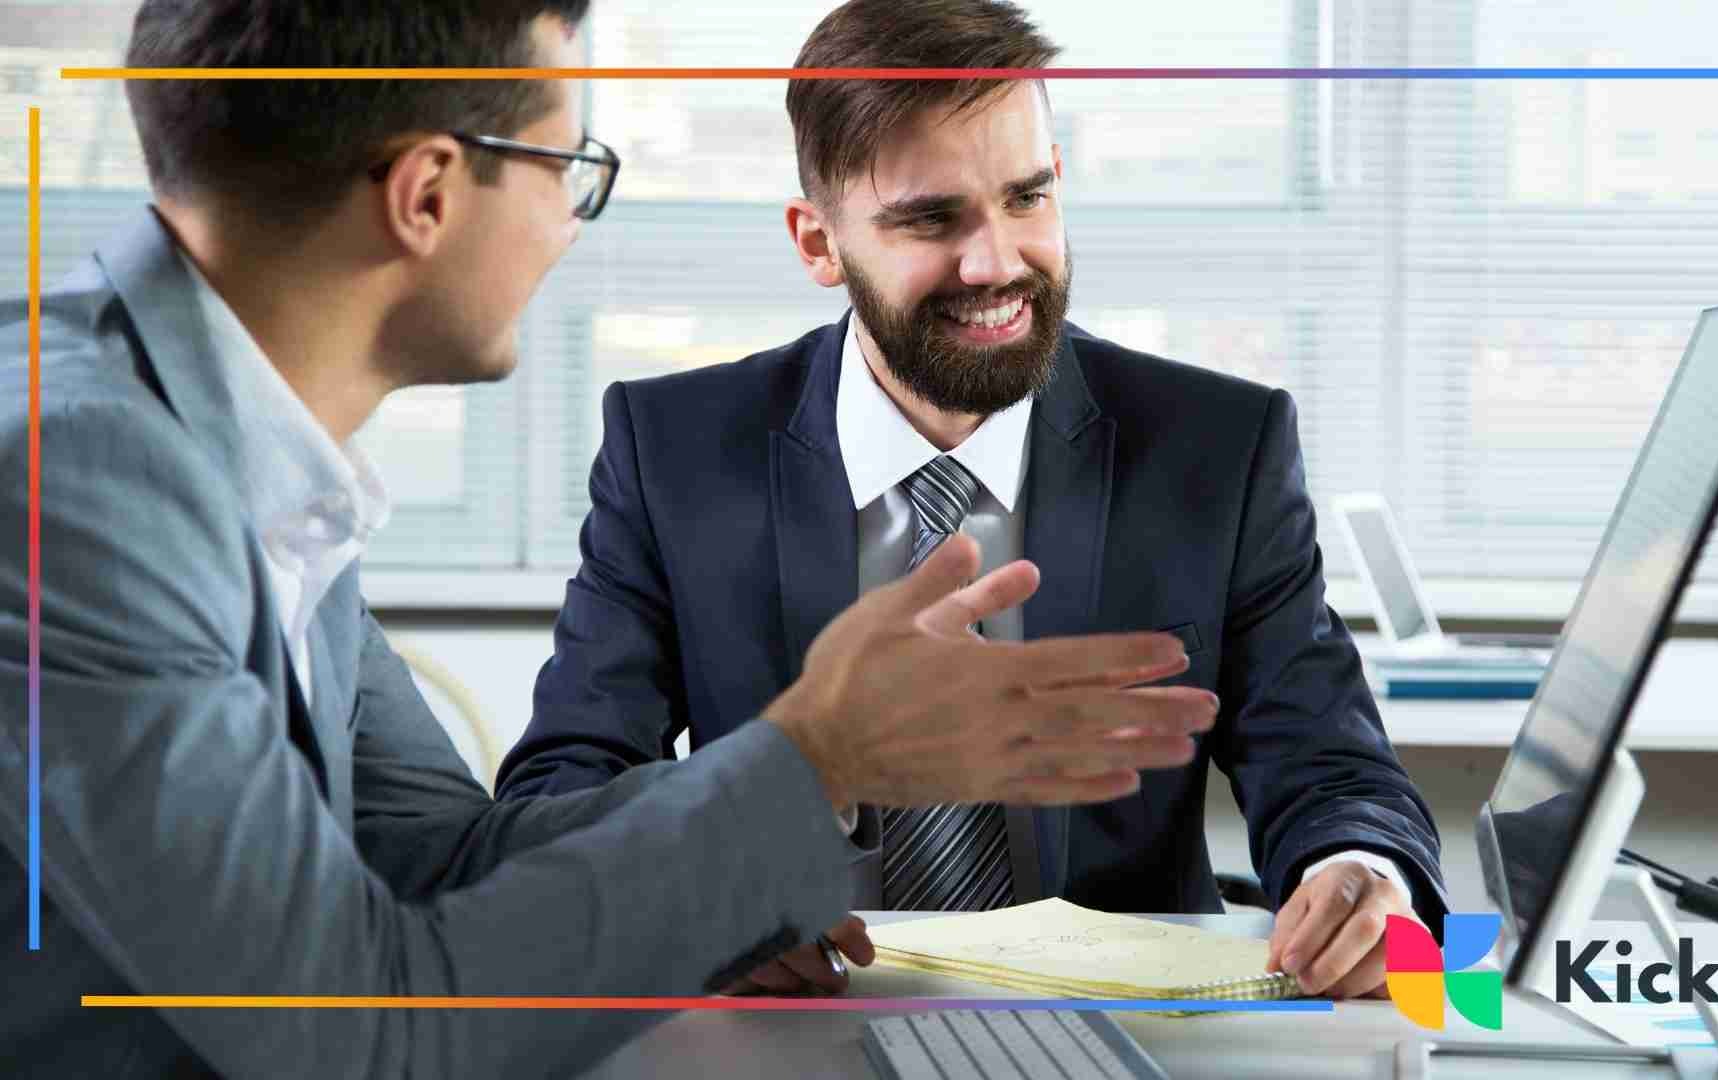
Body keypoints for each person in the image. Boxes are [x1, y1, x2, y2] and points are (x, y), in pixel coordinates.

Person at [0, 2, 1218, 1075]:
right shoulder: (87, 483)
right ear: (426, 194)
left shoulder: (221, 443)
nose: (570, 226)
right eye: (565, 168)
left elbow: (441, 855)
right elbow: (356, 1032)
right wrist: (812, 759)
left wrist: (808, 793)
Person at [498, 0, 1446, 1002]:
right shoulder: (677, 451)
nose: (997, 262)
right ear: (819, 243)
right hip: (784, 1027)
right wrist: (684, 893)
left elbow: (1334, 767)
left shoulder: (1216, 449)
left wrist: (1363, 875)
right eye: (930, 219)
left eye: (1026, 199)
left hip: (1118, 1027)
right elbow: (567, 780)